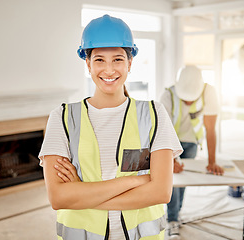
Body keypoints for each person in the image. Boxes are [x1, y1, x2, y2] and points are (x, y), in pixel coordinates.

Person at [38, 14, 182, 240]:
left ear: (129, 63)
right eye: (99, 60)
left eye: (117, 59)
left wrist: (82, 193)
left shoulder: (154, 114)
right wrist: (134, 180)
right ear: (87, 64)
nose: (109, 70)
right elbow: (58, 198)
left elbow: (161, 192)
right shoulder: (62, 118)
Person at [160, 65, 224, 239]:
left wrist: (212, 161)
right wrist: (171, 159)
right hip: (171, 139)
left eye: (192, 99)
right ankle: (172, 219)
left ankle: (177, 212)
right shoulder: (168, 95)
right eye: (185, 99)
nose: (188, 102)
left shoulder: (209, 92)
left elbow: (210, 129)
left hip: (192, 141)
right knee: (172, 178)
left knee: (184, 179)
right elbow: (162, 131)